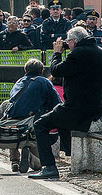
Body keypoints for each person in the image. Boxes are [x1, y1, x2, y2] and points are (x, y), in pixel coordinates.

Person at [30, 27, 102, 179]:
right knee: (61, 121)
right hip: (95, 106)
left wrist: (57, 53)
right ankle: (72, 155)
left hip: (77, 107)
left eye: (68, 42)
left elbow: (56, 71)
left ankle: (49, 167)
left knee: (40, 124)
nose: (66, 45)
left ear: (74, 41)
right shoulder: (98, 50)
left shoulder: (78, 53)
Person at [3, 58, 60, 173]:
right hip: (32, 122)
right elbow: (56, 103)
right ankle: (30, 156)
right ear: (42, 71)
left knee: (14, 130)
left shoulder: (19, 82)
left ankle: (14, 160)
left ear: (25, 71)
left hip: (13, 121)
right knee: (39, 165)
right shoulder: (44, 82)